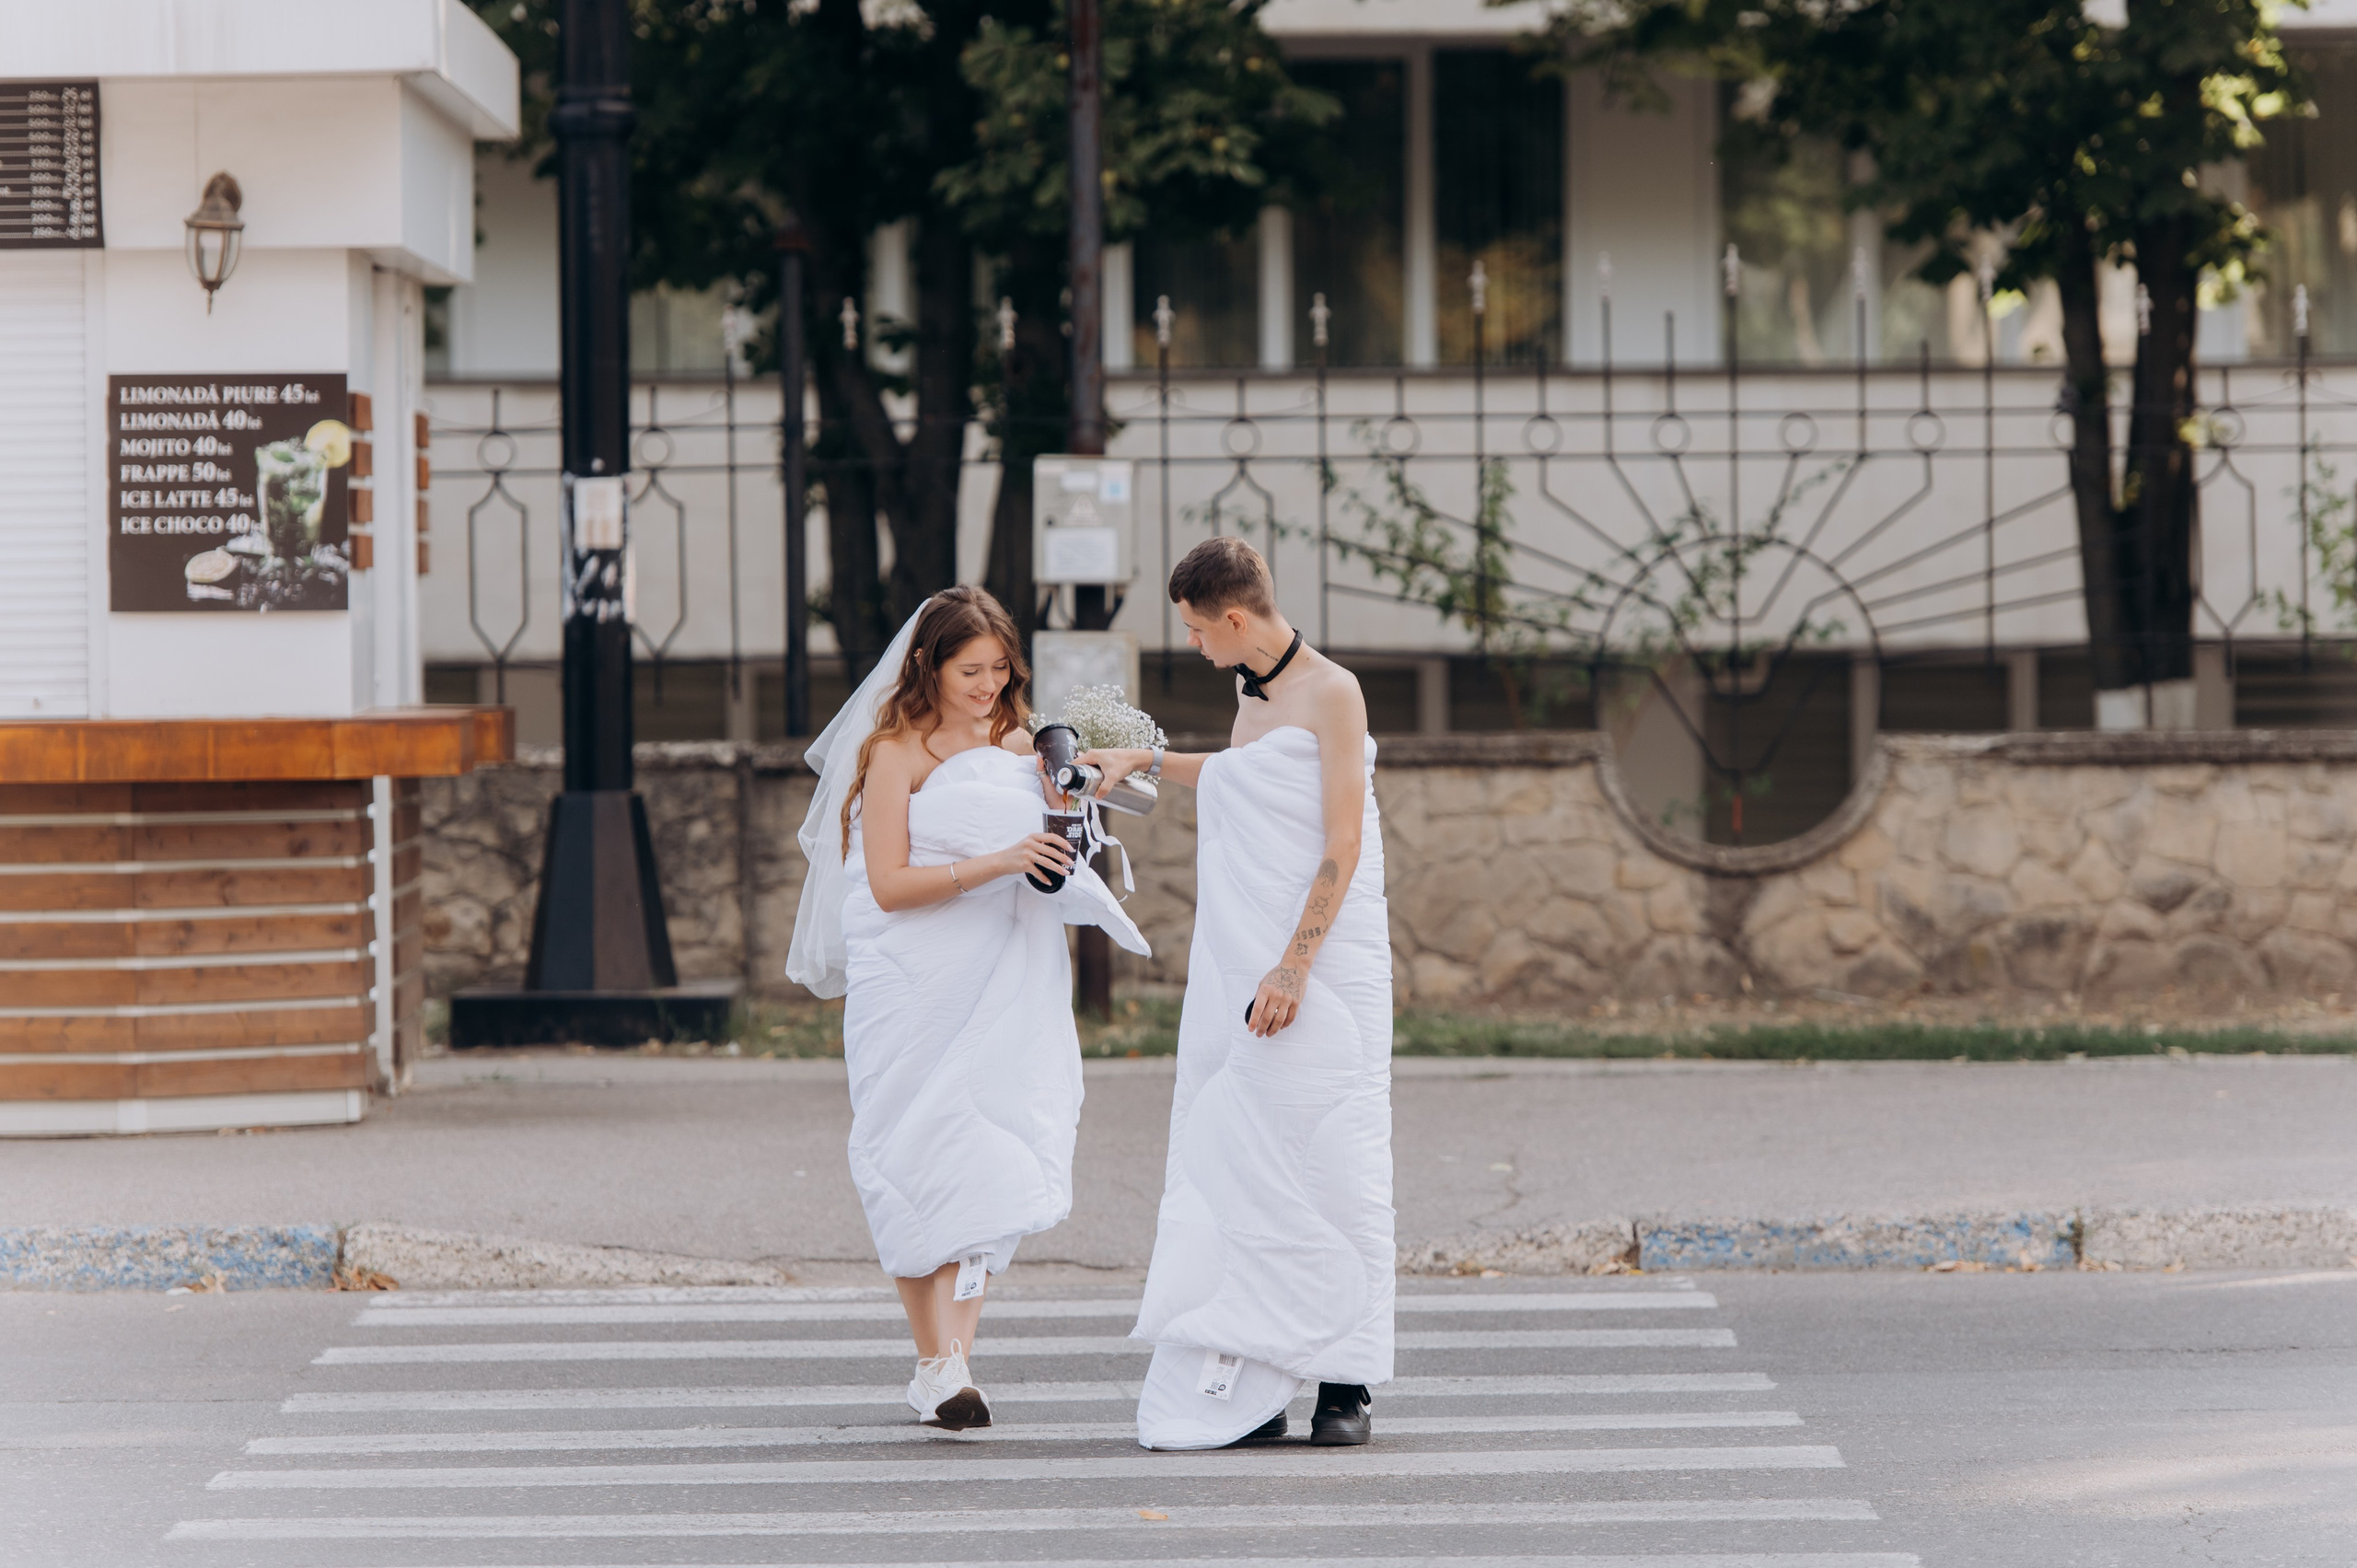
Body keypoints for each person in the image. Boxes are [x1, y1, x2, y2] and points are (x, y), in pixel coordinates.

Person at [787, 587, 1147, 1430]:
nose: (988, 685)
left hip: (1006, 971)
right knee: (913, 1151)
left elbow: (1064, 833)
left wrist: (1090, 803)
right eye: (970, 670)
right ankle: (936, 1360)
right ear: (929, 667)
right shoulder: (894, 753)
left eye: (1000, 669)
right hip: (915, 980)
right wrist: (997, 862)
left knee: (989, 1149)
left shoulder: (1024, 743)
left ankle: (952, 1368)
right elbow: (886, 882)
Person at [1076, 537, 1393, 1450]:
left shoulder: (1333, 691)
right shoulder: (1251, 690)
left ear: (1235, 619)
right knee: (1246, 1154)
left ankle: (1345, 1375)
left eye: (1194, 629)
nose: (1194, 645)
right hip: (1238, 960)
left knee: (1333, 1155)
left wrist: (1294, 963)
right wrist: (1140, 760)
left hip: (1318, 961)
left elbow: (1341, 838)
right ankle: (1257, 1365)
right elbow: (1241, 777)